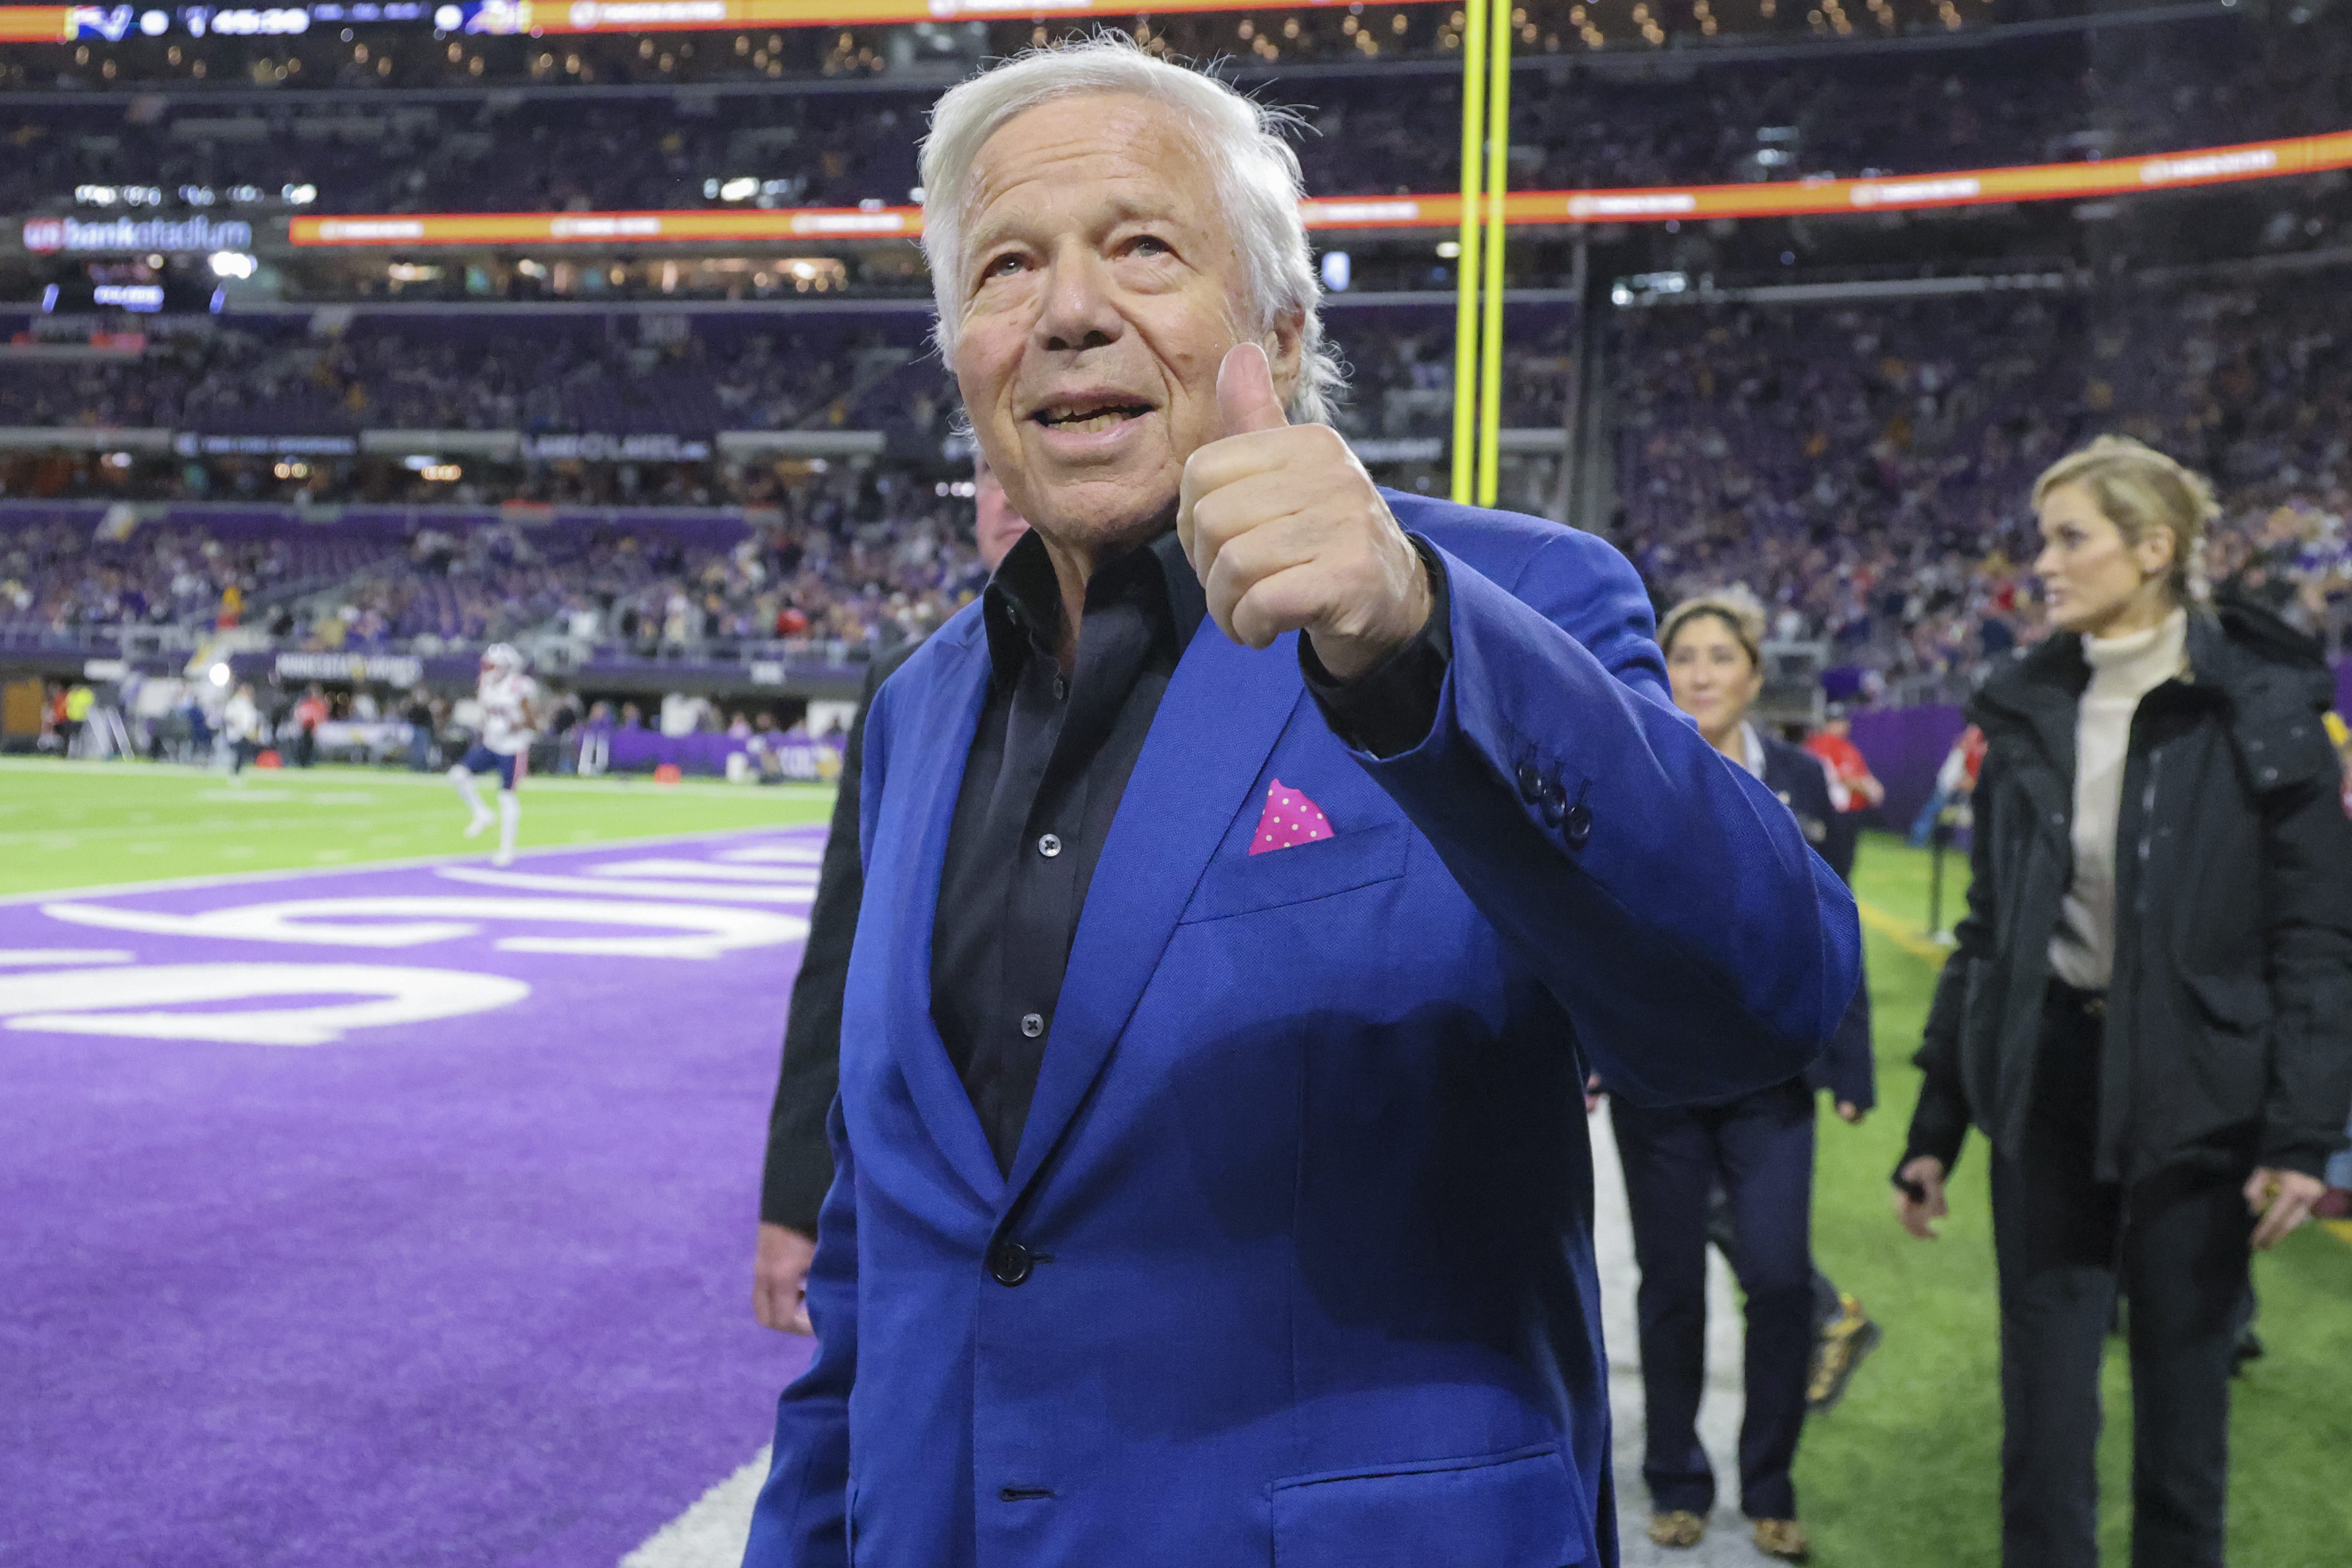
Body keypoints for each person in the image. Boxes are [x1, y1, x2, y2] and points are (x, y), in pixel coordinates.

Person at [743, 41, 1860, 1568]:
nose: (1069, 310)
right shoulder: (914, 715)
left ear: (1277, 321)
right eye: (1007, 266)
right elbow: (886, 1265)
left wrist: (1414, 649)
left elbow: (1761, 998)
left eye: (1141, 246)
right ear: (964, 356)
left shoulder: (1499, 602)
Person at [1893, 437, 2352, 1568]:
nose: (2040, 563)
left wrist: (2303, 1137)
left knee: (2182, 1435)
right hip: (2047, 1086)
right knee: (2042, 1431)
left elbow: (2314, 939)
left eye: (2070, 537)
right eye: (2043, 535)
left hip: (2198, 1101)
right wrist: (1937, 1123)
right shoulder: (2028, 700)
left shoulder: (2263, 702)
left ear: (2156, 548)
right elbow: (1993, 934)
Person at [1604, 591, 1875, 1561]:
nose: (1703, 672)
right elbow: (1589, 921)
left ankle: (1769, 1481)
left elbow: (1832, 923)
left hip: (1771, 1078)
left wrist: (1852, 1060)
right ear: (1662, 668)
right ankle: (1674, 1479)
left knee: (1776, 1280)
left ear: (1757, 675)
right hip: (1660, 1074)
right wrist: (1594, 1039)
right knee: (1671, 1285)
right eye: (1685, 656)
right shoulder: (1626, 762)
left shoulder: (1804, 779)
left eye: (1722, 655)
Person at [753, 453, 1030, 1335]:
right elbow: (846, 954)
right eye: (989, 469)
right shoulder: (907, 685)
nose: (1010, 492)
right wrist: (797, 1196)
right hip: (938, 1207)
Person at [447, 643, 540, 868]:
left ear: (505, 667)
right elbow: (486, 714)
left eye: (491, 665)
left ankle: (507, 850)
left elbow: (532, 723)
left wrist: (510, 727)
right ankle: (481, 814)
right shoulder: (485, 684)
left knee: (507, 797)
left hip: (513, 747)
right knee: (457, 774)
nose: (487, 669)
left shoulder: (519, 686)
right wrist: (485, 728)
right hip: (491, 744)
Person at [222, 682, 263, 777]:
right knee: (240, 752)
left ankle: (239, 770)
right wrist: (239, 728)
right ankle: (236, 771)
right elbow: (229, 717)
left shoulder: (248, 704)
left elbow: (253, 720)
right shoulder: (236, 703)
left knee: (245, 752)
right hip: (237, 734)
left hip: (247, 735)